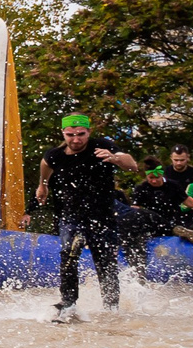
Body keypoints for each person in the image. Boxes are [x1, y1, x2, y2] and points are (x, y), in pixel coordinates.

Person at [36, 116, 139, 322]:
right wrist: (43, 185)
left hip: (102, 217)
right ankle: (68, 304)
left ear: (88, 133)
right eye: (70, 135)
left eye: (81, 134)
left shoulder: (102, 146)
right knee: (69, 255)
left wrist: (114, 158)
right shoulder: (56, 155)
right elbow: (45, 164)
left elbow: (132, 166)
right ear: (63, 134)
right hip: (71, 216)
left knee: (105, 263)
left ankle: (111, 309)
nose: (76, 140)